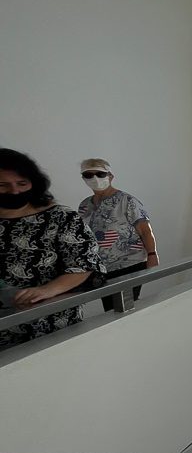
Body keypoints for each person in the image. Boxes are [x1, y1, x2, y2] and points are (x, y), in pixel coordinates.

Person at [1, 149, 103, 348]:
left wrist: (48, 290)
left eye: (22, 183)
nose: (14, 191)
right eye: (2, 185)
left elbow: (83, 263)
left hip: (50, 325)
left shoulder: (60, 218)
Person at [77, 158, 159, 312]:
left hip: (130, 263)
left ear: (110, 176)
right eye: (88, 175)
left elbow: (145, 229)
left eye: (100, 174)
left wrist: (152, 254)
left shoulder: (126, 201)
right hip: (102, 268)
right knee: (110, 310)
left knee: (125, 307)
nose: (94, 178)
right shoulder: (84, 206)